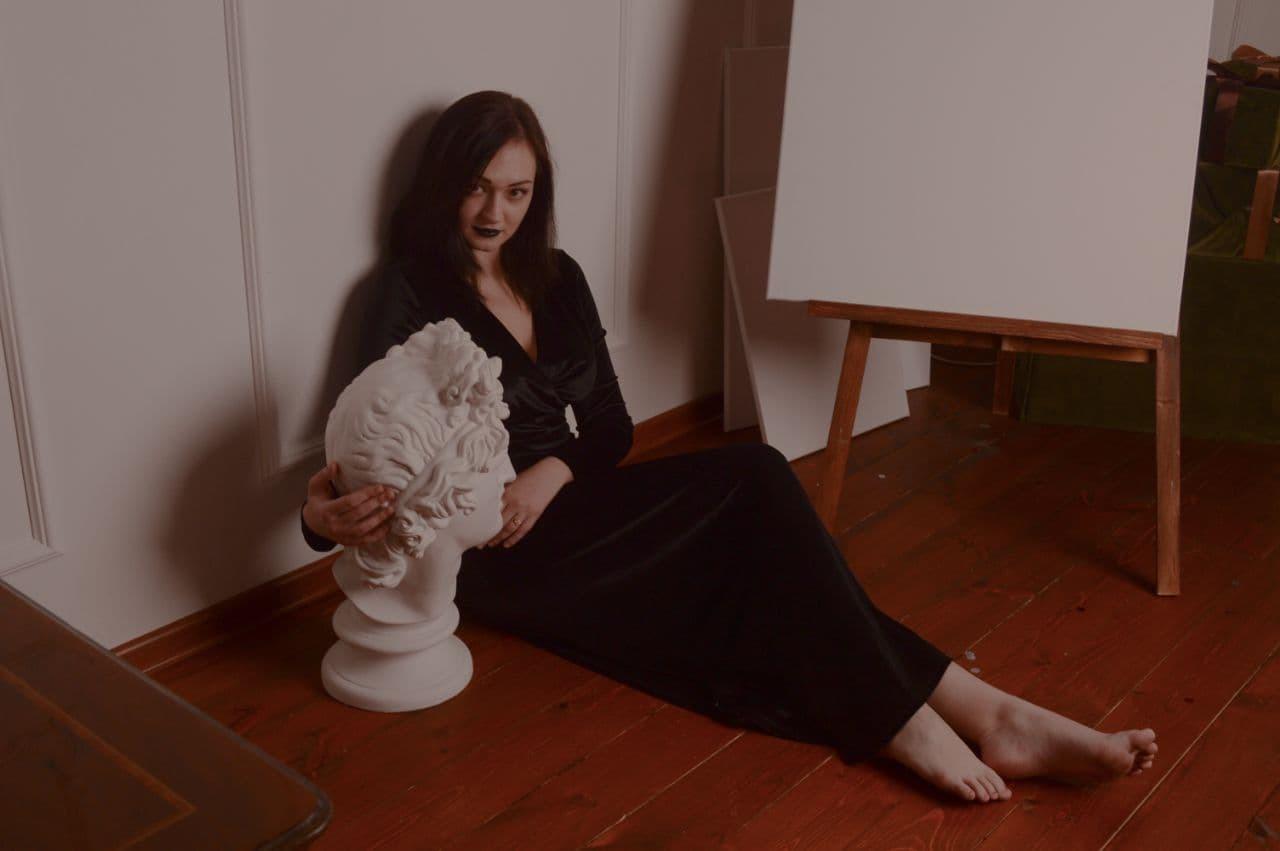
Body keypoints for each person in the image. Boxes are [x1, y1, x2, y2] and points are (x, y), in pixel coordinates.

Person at [301, 90, 1157, 803]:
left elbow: (611, 427)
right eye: (478, 188)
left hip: (571, 501)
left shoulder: (557, 278)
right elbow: (364, 449)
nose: (496, 213)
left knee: (768, 565)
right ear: (446, 185)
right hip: (502, 550)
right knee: (756, 479)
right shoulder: (409, 291)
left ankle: (994, 712)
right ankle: (923, 718)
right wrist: (317, 517)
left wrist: (553, 471)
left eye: (518, 192)